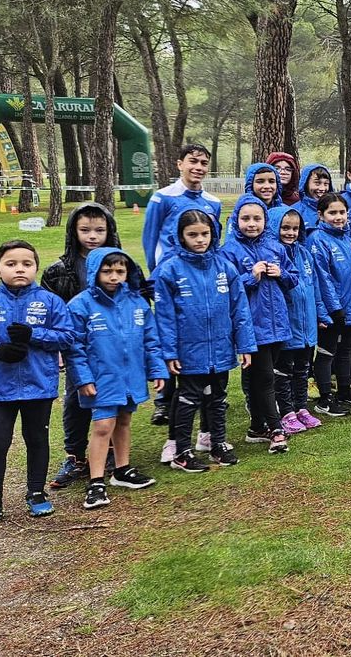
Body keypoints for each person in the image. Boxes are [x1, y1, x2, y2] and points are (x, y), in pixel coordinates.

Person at [0, 240, 73, 528]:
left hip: (38, 385)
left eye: (27, 263)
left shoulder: (50, 302)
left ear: (36, 267)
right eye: (11, 264)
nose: (19, 269)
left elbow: (67, 337)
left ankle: (36, 493)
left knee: (37, 440)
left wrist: (33, 334)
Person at [42, 202, 149, 489]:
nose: (92, 236)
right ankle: (75, 455)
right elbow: (49, 309)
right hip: (78, 347)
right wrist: (61, 350)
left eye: (99, 230)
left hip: (115, 351)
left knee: (118, 408)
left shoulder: (123, 263)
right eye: (85, 230)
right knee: (76, 401)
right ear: (73, 231)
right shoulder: (59, 269)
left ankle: (115, 458)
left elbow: (138, 301)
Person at [153, 210, 257, 472]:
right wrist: (170, 352)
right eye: (192, 235)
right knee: (188, 398)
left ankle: (217, 443)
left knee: (218, 397)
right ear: (181, 236)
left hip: (220, 347)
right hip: (189, 350)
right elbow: (164, 317)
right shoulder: (169, 270)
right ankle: (182, 450)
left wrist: (244, 345)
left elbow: (240, 309)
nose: (200, 240)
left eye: (205, 234)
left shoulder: (225, 267)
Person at [64, 247, 165, 508]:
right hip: (101, 379)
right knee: (102, 427)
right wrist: (83, 378)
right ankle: (96, 481)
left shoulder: (137, 303)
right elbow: (74, 347)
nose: (113, 276)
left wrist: (156, 370)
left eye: (119, 271)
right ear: (95, 272)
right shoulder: (80, 305)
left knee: (124, 421)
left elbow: (151, 341)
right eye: (107, 271)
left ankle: (123, 470)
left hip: (130, 377)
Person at [218, 196, 296, 455]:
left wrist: (281, 274)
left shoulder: (275, 247)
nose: (251, 224)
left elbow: (293, 276)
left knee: (257, 378)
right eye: (246, 219)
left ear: (265, 220)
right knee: (265, 378)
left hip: (277, 322)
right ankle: (276, 430)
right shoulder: (228, 251)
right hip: (251, 325)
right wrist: (251, 277)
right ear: (236, 221)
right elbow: (225, 288)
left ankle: (256, 427)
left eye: (257, 218)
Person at [308, 195, 351, 417]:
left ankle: (344, 391)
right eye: (332, 213)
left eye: (342, 213)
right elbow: (322, 278)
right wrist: (334, 308)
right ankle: (325, 399)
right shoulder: (318, 240)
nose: (338, 218)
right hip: (333, 311)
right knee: (327, 352)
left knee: (346, 350)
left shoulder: (350, 240)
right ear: (321, 215)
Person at [267, 206, 325, 433]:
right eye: (285, 228)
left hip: (307, 323)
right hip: (287, 324)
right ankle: (286, 411)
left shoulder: (304, 253)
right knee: (284, 370)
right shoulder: (272, 254)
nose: (290, 232)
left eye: (294, 228)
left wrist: (320, 313)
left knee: (303, 368)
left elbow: (315, 287)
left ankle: (301, 407)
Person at [143, 144, 223, 273]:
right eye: (193, 161)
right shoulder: (162, 198)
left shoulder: (214, 202)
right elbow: (150, 239)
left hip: (202, 274)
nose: (198, 167)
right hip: (170, 273)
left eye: (204, 163)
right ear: (180, 164)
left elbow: (214, 241)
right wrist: (155, 272)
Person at [225, 163, 282, 236]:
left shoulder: (283, 211)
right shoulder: (241, 213)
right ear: (251, 184)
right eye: (260, 181)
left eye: (271, 181)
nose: (267, 186)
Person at [292, 163, 334, 235]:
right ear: (306, 184)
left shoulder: (335, 208)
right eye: (317, 183)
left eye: (326, 184)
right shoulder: (295, 211)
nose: (322, 188)